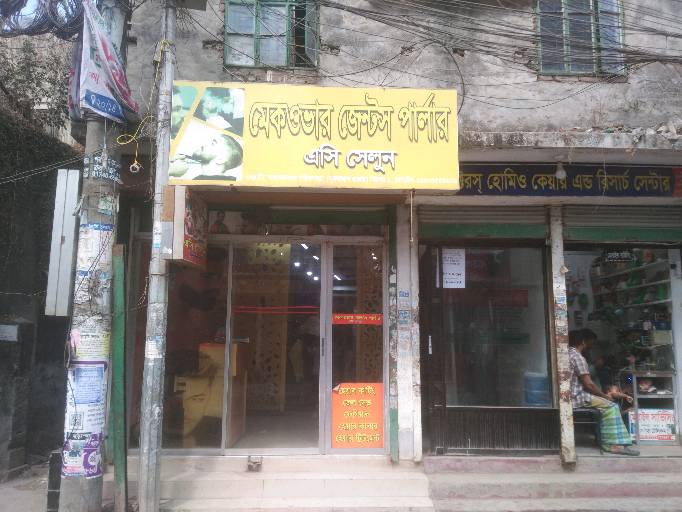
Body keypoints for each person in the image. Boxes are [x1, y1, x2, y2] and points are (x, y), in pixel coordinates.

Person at [569, 329, 639, 456]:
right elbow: (589, 384)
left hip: (572, 396)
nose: (591, 345)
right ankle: (613, 445)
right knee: (611, 406)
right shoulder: (578, 357)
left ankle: (606, 439)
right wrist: (605, 396)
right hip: (577, 397)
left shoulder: (567, 354)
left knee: (605, 404)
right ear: (583, 342)